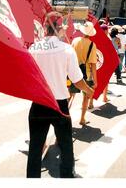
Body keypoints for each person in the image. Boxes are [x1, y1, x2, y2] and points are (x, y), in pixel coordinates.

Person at [27, 18, 94, 178]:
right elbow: (77, 80)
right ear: (58, 29)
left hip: (39, 102)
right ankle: (66, 177)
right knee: (65, 146)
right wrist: (88, 90)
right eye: (63, 27)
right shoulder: (66, 49)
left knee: (35, 148)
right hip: (59, 105)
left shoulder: (34, 47)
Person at [71, 21, 97, 125]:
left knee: (69, 97)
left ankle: (64, 119)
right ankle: (82, 119)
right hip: (86, 75)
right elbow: (93, 65)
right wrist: (96, 81)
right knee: (86, 97)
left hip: (72, 72)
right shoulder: (92, 45)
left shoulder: (75, 40)